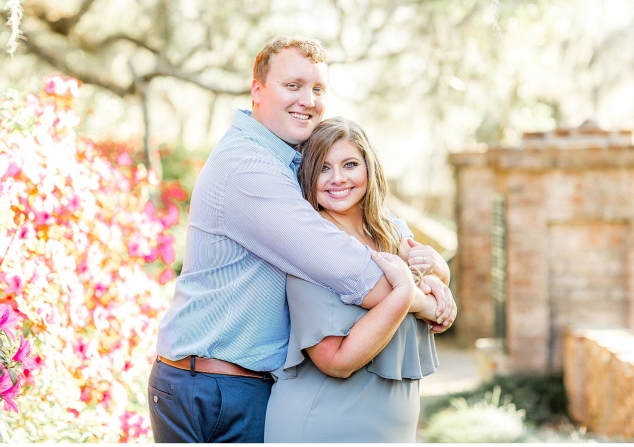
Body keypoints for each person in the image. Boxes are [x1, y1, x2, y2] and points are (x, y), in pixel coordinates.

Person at [148, 36, 456, 443]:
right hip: (210, 389)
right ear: (257, 90)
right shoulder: (248, 169)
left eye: (317, 89)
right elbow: (347, 265)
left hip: (237, 385)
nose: (308, 100)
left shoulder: (287, 162)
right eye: (293, 86)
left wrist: (429, 267)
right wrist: (423, 300)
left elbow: (377, 226)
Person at [264, 117, 446, 442]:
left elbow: (433, 278)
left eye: (349, 164)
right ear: (307, 174)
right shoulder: (310, 243)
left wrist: (438, 287)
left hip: (393, 428)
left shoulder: (389, 231)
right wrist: (409, 295)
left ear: (368, 168)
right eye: (323, 167)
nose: (338, 179)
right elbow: (336, 361)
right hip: (323, 424)